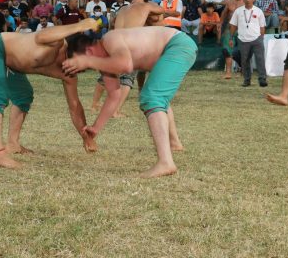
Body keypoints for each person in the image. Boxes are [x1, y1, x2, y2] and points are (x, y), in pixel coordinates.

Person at [63, 26, 197, 178]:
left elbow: (126, 65)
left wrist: (88, 61)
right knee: (157, 96)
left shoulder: (110, 38)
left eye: (83, 65)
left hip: (177, 45)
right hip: (177, 48)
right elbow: (114, 95)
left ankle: (166, 163)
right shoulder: (106, 62)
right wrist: (96, 128)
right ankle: (173, 144)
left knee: (152, 97)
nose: (89, 67)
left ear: (88, 52)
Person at [0, 18, 101, 168]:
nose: (79, 70)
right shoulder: (57, 43)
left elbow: (74, 105)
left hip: (13, 64)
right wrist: (80, 25)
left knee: (23, 95)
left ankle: (13, 144)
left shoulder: (68, 73)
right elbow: (42, 35)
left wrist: (85, 136)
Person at [229, 0, 267, 87]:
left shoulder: (258, 11)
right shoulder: (238, 11)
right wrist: (231, 37)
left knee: (260, 59)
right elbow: (233, 25)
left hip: (256, 38)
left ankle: (262, 79)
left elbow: (262, 27)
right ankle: (247, 80)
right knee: (244, 60)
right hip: (243, 39)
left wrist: (261, 38)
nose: (248, 0)